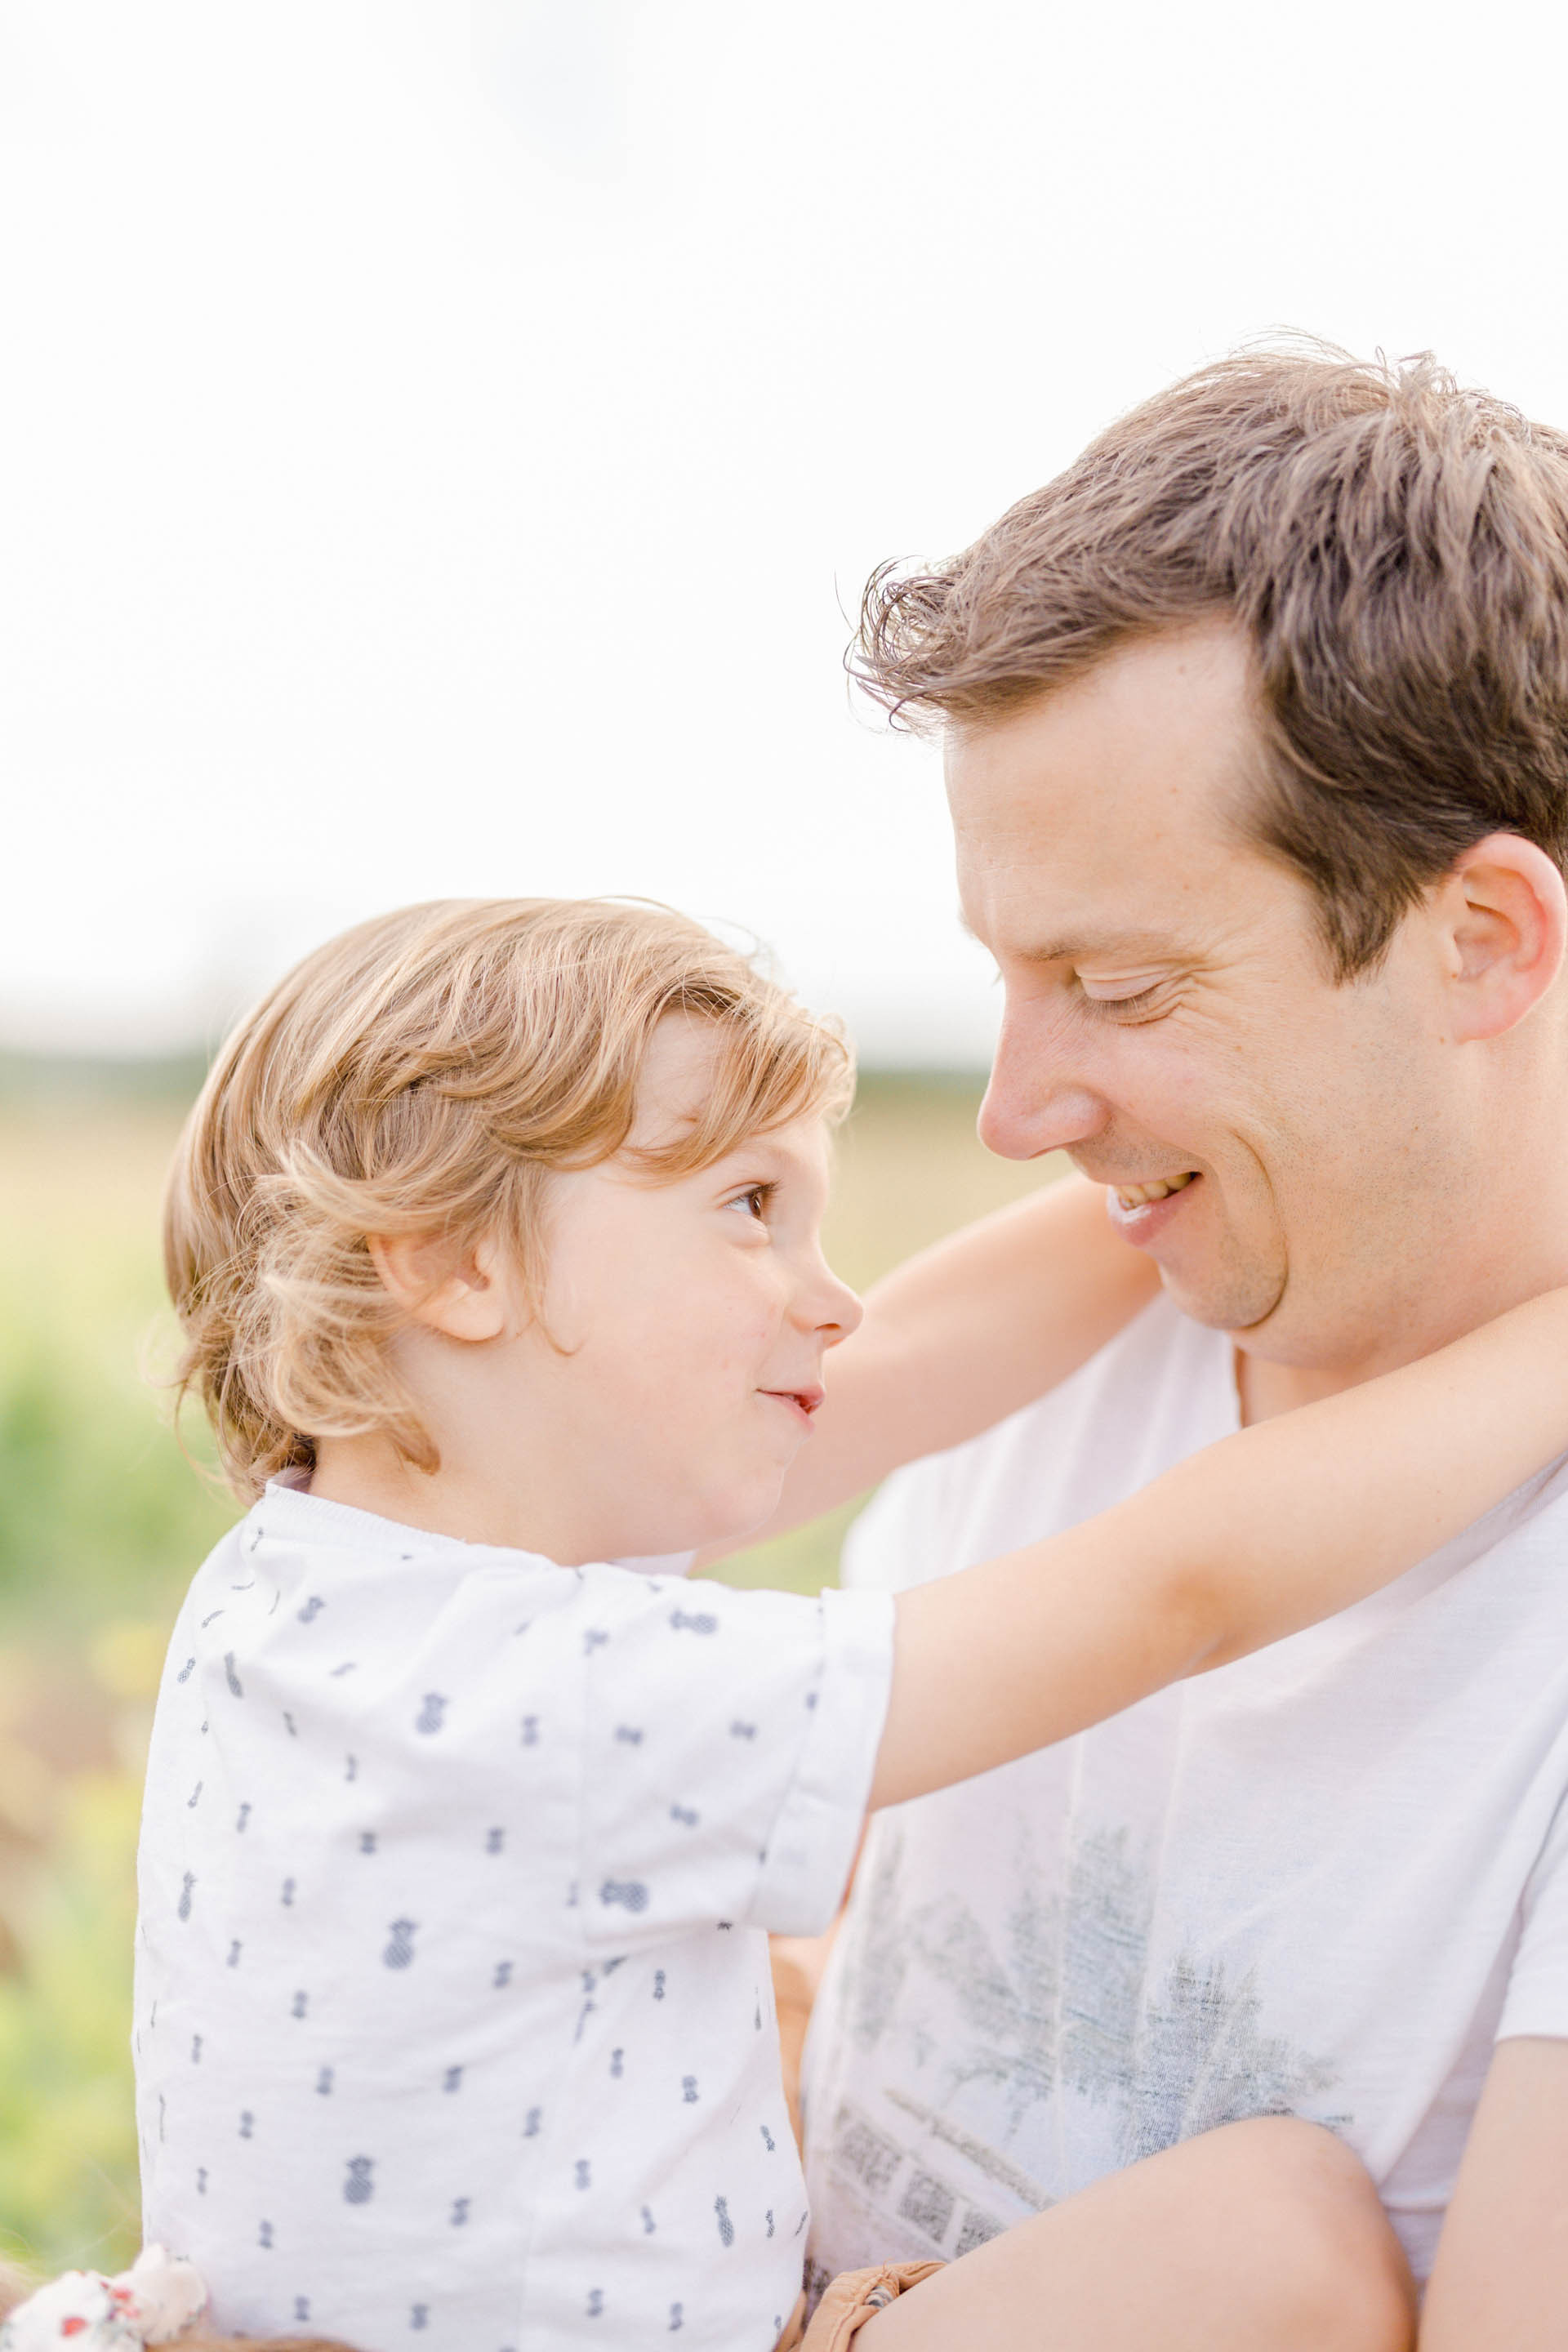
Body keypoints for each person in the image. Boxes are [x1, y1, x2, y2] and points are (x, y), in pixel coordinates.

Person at [131, 894, 1568, 2352]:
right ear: (451, 1262)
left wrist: (1216, 1156)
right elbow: (1174, 1589)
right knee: (1274, 2242)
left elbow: (927, 1350)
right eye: (752, 1208)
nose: (831, 1302)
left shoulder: (305, 1596)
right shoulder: (556, 1700)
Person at [791, 344, 1568, 2347]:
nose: (1017, 1106)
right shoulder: (1065, 1329)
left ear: (1480, 939)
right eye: (1006, 977)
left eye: (1118, 985)